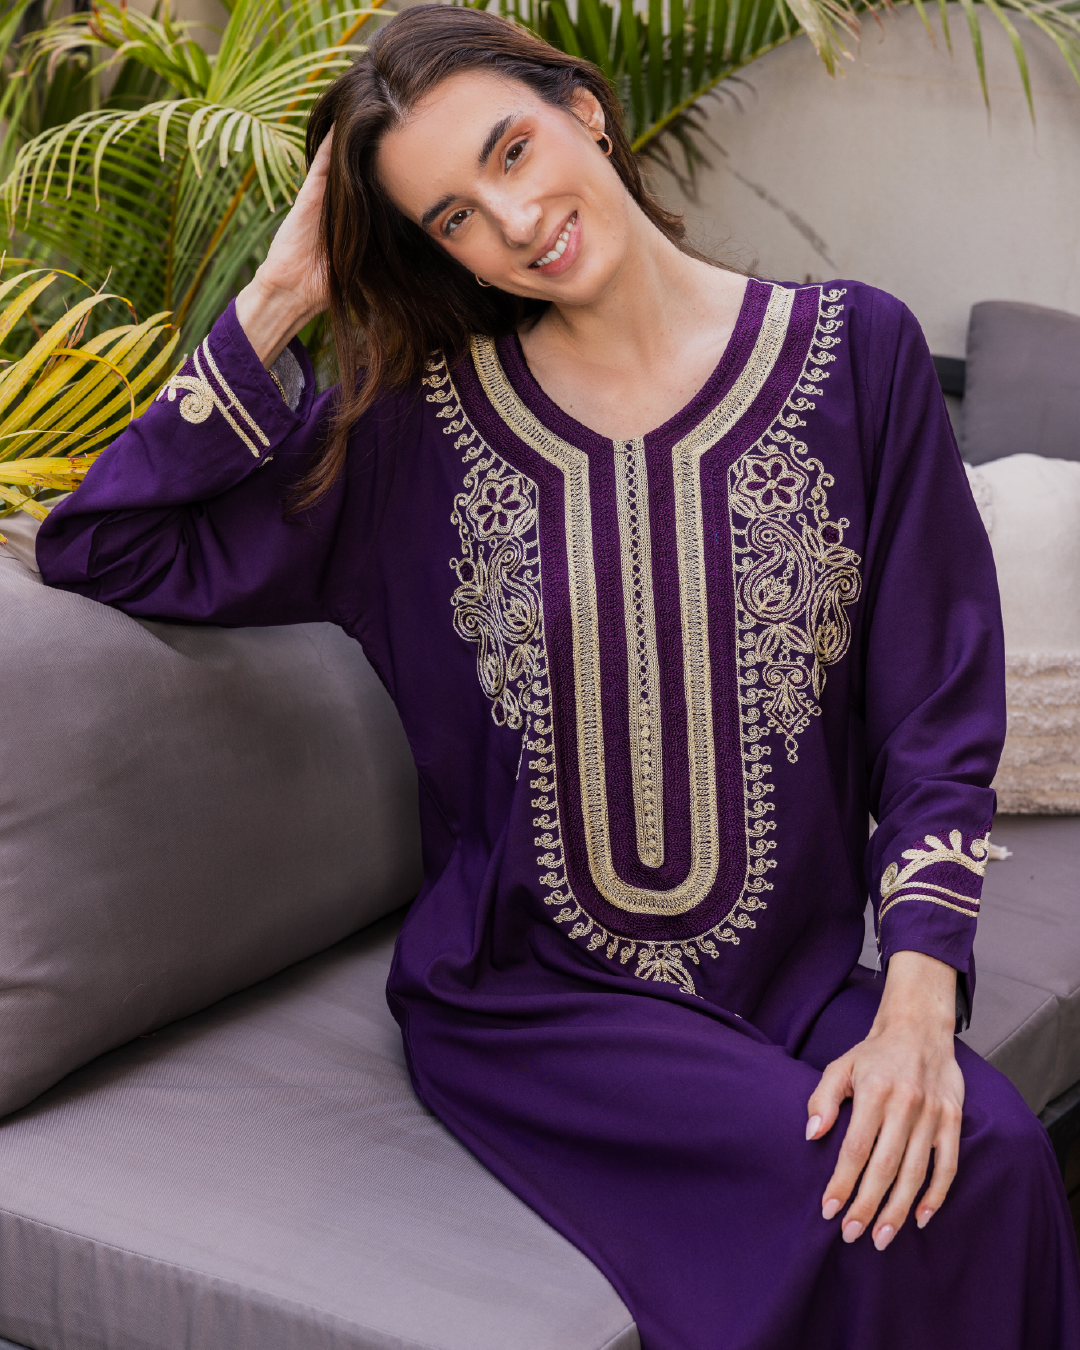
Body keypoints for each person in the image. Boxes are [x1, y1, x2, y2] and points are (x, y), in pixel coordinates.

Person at [35, 6, 1080, 1346]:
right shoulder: (410, 435)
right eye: (454, 217)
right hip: (537, 1004)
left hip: (803, 976)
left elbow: (938, 705)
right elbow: (108, 543)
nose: (515, 221)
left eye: (513, 150)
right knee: (869, 1198)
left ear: (583, 109)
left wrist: (921, 998)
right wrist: (286, 287)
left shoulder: (858, 357)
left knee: (994, 1152)